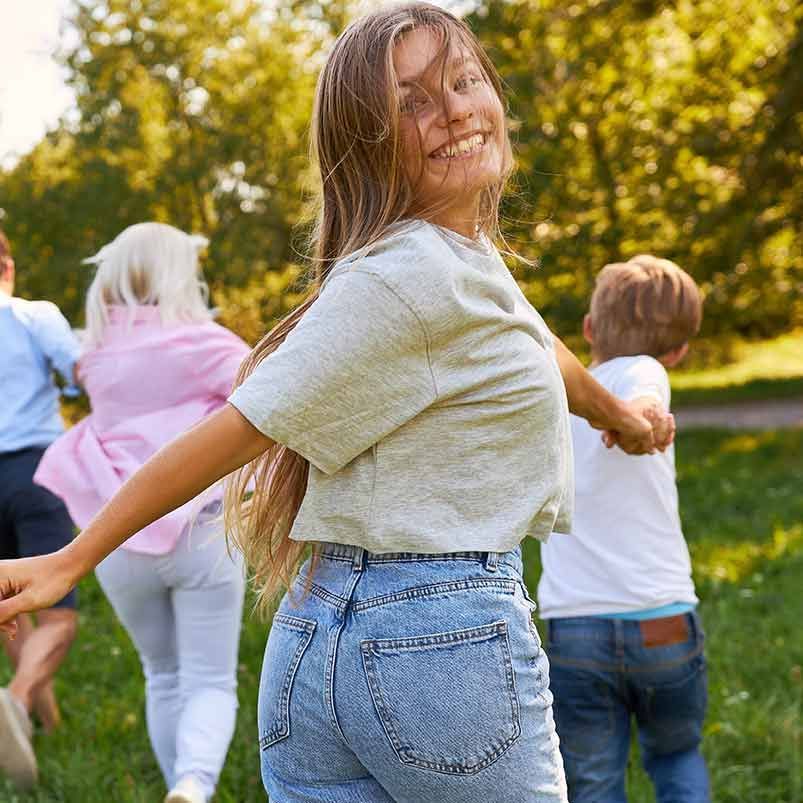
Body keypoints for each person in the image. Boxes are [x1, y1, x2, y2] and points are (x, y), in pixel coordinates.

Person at [0, 6, 674, 802]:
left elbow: (534, 342)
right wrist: (73, 558)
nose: (454, 109)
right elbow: (239, 428)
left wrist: (619, 418)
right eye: (411, 101)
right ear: (366, 143)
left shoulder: (460, 260)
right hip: (436, 639)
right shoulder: (410, 275)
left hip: (331, 638)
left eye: (463, 81)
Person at [32, 222, 251, 803]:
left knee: (163, 674)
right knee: (209, 678)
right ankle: (193, 784)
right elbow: (269, 404)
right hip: (200, 531)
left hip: (116, 538)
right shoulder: (206, 344)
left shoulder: (95, 355)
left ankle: (179, 785)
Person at [537, 255, 708, 803]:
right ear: (679, 352)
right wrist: (644, 413)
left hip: (576, 630)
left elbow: (643, 392)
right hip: (663, 624)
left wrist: (641, 413)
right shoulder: (647, 370)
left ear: (589, 329)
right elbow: (646, 387)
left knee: (591, 780)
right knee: (677, 755)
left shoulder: (563, 399)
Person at [0, 228, 81, 789]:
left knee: (9, 607)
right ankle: (17, 699)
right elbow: (79, 371)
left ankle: (45, 727)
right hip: (35, 471)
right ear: (7, 266)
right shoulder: (34, 315)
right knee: (57, 613)